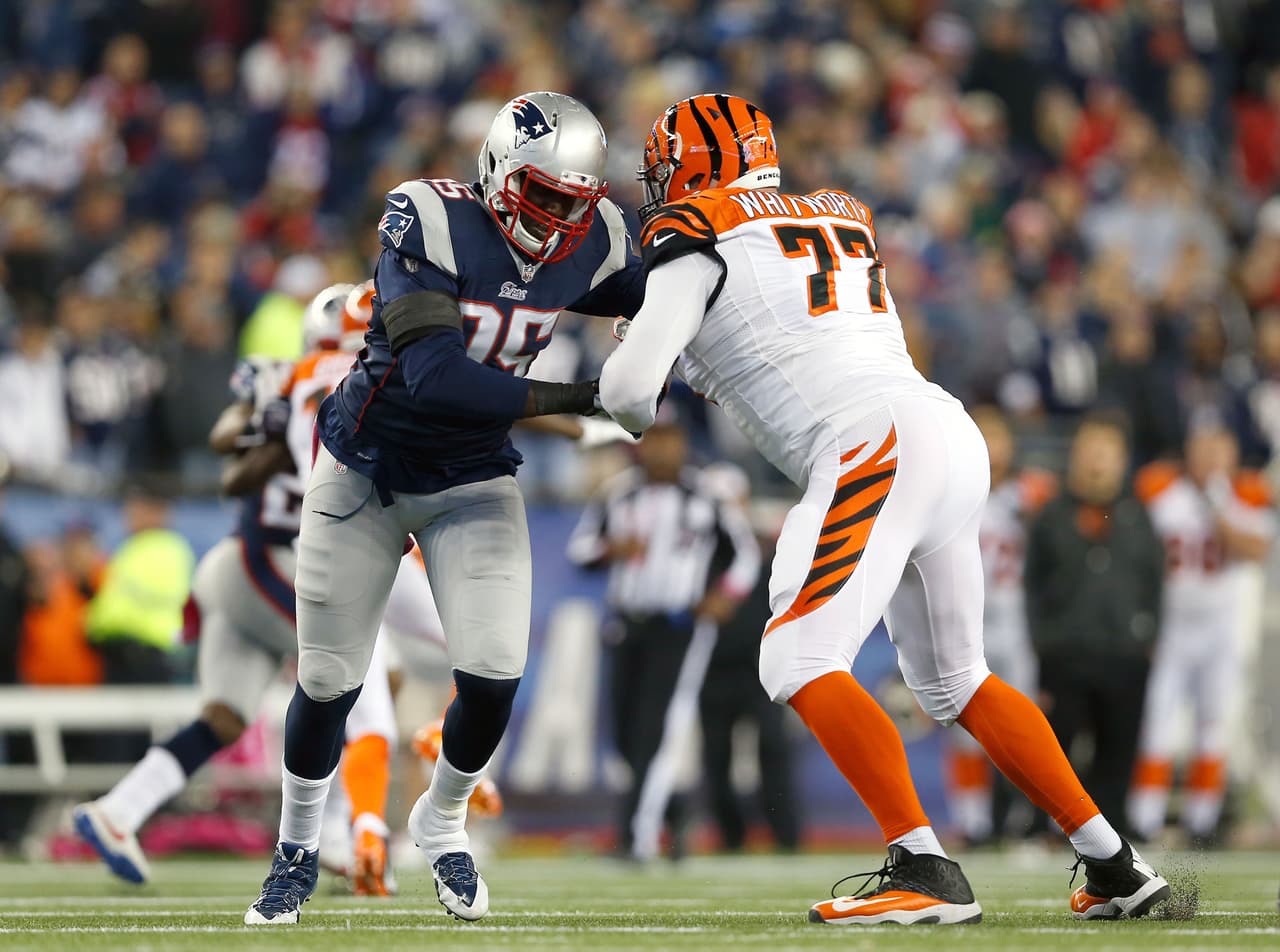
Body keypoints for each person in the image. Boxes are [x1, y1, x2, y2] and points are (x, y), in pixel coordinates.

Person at [598, 93, 1169, 925]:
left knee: (795, 656)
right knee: (955, 679)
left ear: (692, 166)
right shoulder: (836, 213)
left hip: (871, 442)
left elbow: (629, 397)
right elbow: (777, 323)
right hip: (943, 431)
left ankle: (923, 867)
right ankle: (1113, 863)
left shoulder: (697, 232)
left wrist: (613, 366)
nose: (656, 190)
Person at [243, 91, 646, 925]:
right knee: (328, 683)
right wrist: (585, 399)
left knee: (495, 676)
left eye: (578, 202)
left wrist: (665, 338)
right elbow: (436, 376)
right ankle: (295, 850)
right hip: (365, 471)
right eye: (545, 196)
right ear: (499, 173)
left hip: (472, 480)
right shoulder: (426, 216)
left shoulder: (597, 240)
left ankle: (443, 820)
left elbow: (663, 298)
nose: (562, 218)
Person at [72, 287, 396, 890]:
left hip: (238, 561)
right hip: (274, 558)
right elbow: (243, 447)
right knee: (355, 680)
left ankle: (117, 812)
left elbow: (229, 448)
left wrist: (264, 422)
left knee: (224, 717)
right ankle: (335, 835)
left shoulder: (290, 380)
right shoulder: (344, 384)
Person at [567, 410, 759, 860]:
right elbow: (579, 549)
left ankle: (638, 836)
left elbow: (745, 554)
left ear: (684, 443)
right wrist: (609, 549)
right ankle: (669, 818)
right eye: (653, 439)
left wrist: (723, 597)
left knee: (658, 727)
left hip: (678, 625)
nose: (661, 449)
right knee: (624, 732)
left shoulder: (706, 495)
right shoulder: (618, 493)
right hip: (625, 623)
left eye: (670, 439)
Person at [1129, 422, 1273, 845]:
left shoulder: (1244, 493)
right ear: (1188, 452)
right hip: (1173, 627)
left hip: (1221, 631)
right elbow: (1138, 550)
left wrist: (1219, 510)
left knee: (1213, 724)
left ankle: (1202, 822)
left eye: (1219, 447)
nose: (1211, 456)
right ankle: (1145, 820)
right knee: (1157, 723)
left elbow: (1257, 550)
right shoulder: (1162, 491)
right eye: (1203, 447)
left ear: (1232, 453)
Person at [1024, 411, 1167, 837]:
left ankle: (1115, 826)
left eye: (1107, 450)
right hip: (1066, 652)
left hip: (1124, 651)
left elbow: (1154, 582)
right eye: (1090, 448)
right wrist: (1044, 640)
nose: (1097, 459)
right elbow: (1033, 583)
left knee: (1118, 747)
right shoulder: (1051, 516)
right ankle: (1044, 824)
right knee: (1054, 746)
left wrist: (1147, 636)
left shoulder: (1138, 516)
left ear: (1123, 459)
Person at [944, 406, 1053, 845]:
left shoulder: (1033, 492)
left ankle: (1023, 819)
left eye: (998, 436)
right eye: (982, 435)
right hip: (967, 616)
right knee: (966, 724)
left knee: (1023, 721)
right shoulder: (950, 489)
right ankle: (973, 823)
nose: (992, 446)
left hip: (1017, 617)